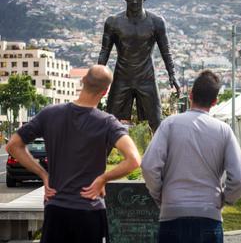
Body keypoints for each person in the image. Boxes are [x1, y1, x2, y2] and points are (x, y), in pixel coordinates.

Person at [6, 65, 141, 243]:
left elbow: (13, 146)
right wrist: (102, 179)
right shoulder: (107, 122)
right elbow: (134, 160)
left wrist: (43, 175)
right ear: (105, 91)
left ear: (83, 80)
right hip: (89, 210)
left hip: (56, 210)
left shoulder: (49, 114)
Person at [141, 70, 241, 243]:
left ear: (190, 95)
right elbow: (239, 176)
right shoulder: (224, 131)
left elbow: (148, 165)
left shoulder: (170, 125)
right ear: (215, 101)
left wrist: (160, 195)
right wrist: (226, 199)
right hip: (209, 215)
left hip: (172, 215)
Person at [98, 0, 180, 132]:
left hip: (147, 78)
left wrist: (172, 74)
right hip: (122, 77)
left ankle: (157, 156)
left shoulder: (156, 22)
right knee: (109, 125)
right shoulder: (113, 22)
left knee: (156, 125)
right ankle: (103, 156)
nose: (135, 2)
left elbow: (166, 50)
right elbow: (104, 51)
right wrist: (96, 77)